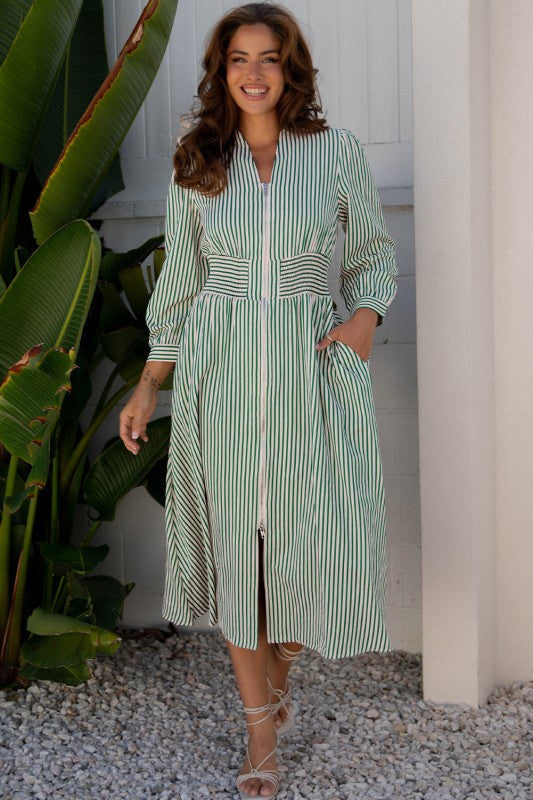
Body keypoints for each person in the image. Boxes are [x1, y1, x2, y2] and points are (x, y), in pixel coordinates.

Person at [119, 3, 398, 797]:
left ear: (291, 70)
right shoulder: (197, 161)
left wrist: (362, 323)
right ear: (220, 71)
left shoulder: (334, 152)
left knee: (312, 541)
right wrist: (147, 385)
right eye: (238, 58)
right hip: (224, 371)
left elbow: (373, 254)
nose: (252, 73)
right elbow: (180, 287)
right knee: (242, 552)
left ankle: (277, 667)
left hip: (313, 365)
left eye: (268, 58)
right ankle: (259, 738)